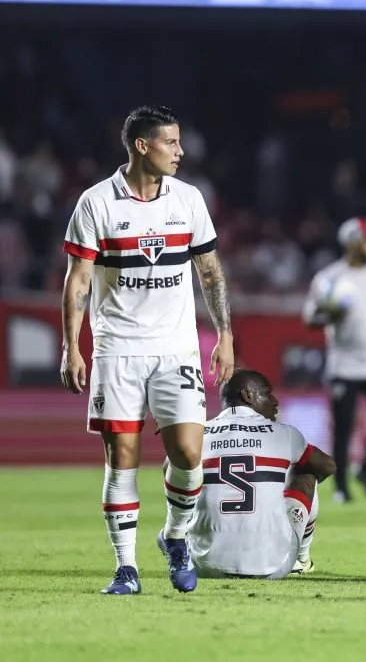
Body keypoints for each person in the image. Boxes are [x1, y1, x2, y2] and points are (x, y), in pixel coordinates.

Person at [60, 105, 235, 595]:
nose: (181, 152)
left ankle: (175, 536)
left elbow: (210, 272)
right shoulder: (97, 203)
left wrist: (225, 334)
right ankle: (126, 568)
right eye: (171, 143)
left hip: (176, 349)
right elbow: (78, 280)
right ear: (142, 146)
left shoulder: (189, 199)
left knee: (189, 453)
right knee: (123, 458)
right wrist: (72, 346)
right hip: (117, 348)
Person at [188, 369, 336, 578]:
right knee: (305, 472)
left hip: (203, 566)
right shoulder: (284, 434)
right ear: (247, 395)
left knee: (183, 481)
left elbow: (173, 477)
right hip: (273, 567)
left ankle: (172, 539)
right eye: (267, 393)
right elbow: (328, 466)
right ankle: (301, 560)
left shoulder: (196, 435)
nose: (275, 401)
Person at [303, 216, 366, 503]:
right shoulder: (329, 277)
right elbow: (310, 317)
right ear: (352, 242)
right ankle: (341, 486)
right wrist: (331, 313)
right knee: (343, 427)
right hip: (344, 365)